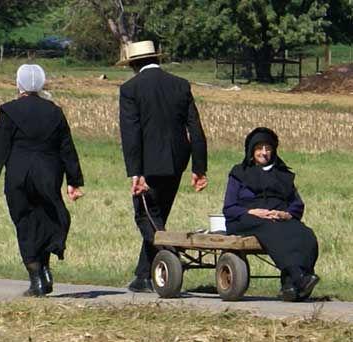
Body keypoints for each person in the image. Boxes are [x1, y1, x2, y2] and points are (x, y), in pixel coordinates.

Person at [0, 64, 84, 297]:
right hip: (49, 173)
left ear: (19, 84)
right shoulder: (55, 112)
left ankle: (37, 278)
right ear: (42, 84)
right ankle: (45, 270)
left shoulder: (10, 111)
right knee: (45, 219)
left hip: (19, 174)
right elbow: (67, 148)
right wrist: (74, 181)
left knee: (25, 223)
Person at [118, 40, 208, 293]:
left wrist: (136, 172)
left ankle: (171, 254)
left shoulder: (130, 89)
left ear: (134, 64)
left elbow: (131, 134)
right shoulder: (180, 85)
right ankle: (143, 275)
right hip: (178, 161)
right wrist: (199, 167)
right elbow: (195, 129)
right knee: (158, 217)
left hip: (148, 165)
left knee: (144, 216)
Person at [222, 127, 319, 301]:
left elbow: (297, 204)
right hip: (245, 219)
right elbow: (229, 207)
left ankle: (289, 285)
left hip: (277, 219)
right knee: (271, 230)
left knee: (305, 234)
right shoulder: (239, 172)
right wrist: (252, 211)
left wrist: (286, 214)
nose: (264, 153)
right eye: (259, 149)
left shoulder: (283, 174)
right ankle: (298, 277)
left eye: (268, 148)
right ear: (252, 151)